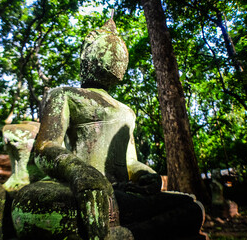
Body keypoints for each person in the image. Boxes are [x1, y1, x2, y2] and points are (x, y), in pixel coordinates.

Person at [11, 18, 205, 240]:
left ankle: (121, 235)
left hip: (117, 194)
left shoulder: (126, 112)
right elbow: (45, 147)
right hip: (75, 189)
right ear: (87, 54)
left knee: (192, 206)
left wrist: (147, 175)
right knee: (36, 206)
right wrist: (80, 172)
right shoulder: (65, 94)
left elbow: (130, 162)